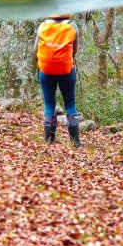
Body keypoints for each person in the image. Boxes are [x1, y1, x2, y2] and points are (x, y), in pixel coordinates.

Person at [34, 13, 84, 147]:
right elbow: (74, 51)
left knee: (49, 105)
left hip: (45, 71)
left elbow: (35, 50)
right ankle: (75, 142)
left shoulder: (42, 26)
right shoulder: (72, 26)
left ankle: (49, 140)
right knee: (70, 105)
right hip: (66, 71)